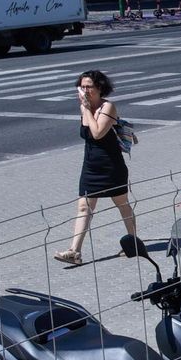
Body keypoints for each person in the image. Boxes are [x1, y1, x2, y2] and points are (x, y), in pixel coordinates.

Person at [55, 70, 136, 265]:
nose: (84, 90)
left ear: (99, 87)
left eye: (89, 86)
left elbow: (98, 132)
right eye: (82, 87)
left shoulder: (108, 107)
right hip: (90, 166)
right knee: (84, 207)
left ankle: (133, 242)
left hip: (111, 166)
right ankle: (75, 252)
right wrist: (85, 109)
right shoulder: (87, 107)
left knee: (122, 204)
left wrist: (85, 110)